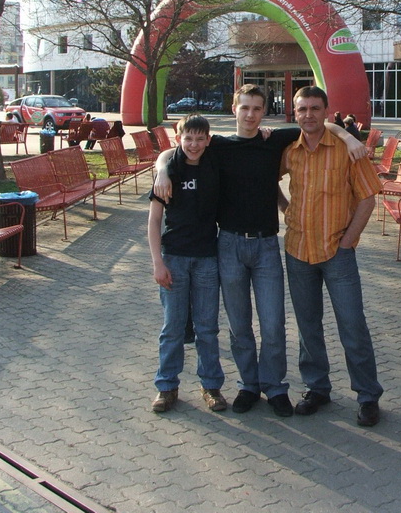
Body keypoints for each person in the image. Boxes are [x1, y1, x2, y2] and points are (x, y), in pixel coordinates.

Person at [153, 83, 365, 418]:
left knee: (273, 324)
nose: (250, 115)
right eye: (244, 108)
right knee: (239, 326)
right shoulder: (218, 146)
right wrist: (163, 169)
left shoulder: (275, 140)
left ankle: (275, 387)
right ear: (234, 109)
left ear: (264, 112)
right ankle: (249, 385)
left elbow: (317, 122)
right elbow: (175, 150)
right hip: (229, 245)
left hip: (266, 245)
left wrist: (349, 137)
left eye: (256, 108)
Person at [279, 86, 384, 427]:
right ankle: (317, 388)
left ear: (326, 111)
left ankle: (367, 396)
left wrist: (349, 241)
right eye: (302, 109)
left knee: (352, 325)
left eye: (314, 108)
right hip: (298, 250)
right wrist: (286, 209)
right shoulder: (289, 150)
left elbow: (368, 197)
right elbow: (266, 180)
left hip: (337, 251)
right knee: (307, 326)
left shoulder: (346, 149)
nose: (308, 114)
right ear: (294, 113)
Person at [148, 115, 225, 414]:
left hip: (207, 258)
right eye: (188, 138)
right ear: (178, 138)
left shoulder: (213, 164)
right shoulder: (169, 170)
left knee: (207, 328)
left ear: (208, 140)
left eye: (200, 138)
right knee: (173, 327)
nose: (194, 144)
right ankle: (166, 386)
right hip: (174, 259)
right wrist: (157, 262)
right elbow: (154, 221)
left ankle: (211, 385)